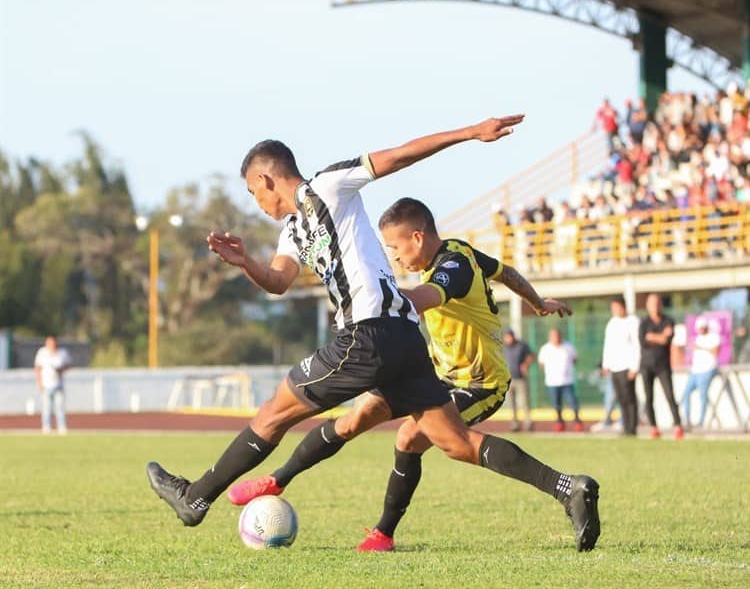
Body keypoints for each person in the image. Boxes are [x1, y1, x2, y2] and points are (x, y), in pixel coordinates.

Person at [145, 117, 600, 554]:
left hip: (365, 335)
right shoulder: (293, 231)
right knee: (456, 443)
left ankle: (196, 498)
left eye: (251, 191)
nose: (255, 203)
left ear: (266, 179)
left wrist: (469, 133)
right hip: (403, 339)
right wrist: (247, 265)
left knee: (271, 415)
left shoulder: (327, 186)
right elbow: (279, 280)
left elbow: (399, 156)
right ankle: (568, 487)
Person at [227, 196, 598, 552]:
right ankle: (277, 480)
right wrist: (539, 303)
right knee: (357, 416)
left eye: (396, 248)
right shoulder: (462, 252)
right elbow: (508, 273)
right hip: (437, 376)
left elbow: (423, 299)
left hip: (479, 383)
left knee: (411, 436)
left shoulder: (453, 268)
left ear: (417, 237)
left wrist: (374, 307)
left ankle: (565, 487)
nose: (395, 257)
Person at [639, 293, 684, 439]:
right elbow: (644, 340)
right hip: (646, 365)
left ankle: (678, 426)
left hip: (663, 365)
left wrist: (653, 337)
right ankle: (654, 427)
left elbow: (667, 339)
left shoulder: (668, 320)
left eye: (657, 303)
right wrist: (660, 337)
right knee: (649, 397)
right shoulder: (644, 323)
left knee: (670, 395)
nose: (655, 306)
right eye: (651, 303)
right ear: (647, 306)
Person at [601, 296, 640, 436]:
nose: (614, 310)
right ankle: (625, 427)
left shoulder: (633, 321)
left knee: (630, 398)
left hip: (627, 366)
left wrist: (634, 367)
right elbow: (608, 345)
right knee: (621, 398)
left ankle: (632, 428)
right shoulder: (612, 323)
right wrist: (606, 364)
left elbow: (637, 345)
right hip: (614, 366)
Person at [537, 328, 582, 432]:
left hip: (567, 381)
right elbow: (541, 364)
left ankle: (577, 422)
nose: (555, 338)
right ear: (550, 337)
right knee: (556, 404)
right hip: (552, 382)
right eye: (553, 336)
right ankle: (559, 422)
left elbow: (575, 360)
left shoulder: (568, 347)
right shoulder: (545, 349)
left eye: (557, 335)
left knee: (573, 402)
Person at [683, 317, 720, 429]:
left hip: (707, 370)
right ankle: (687, 420)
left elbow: (715, 351)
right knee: (686, 394)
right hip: (695, 371)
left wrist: (701, 348)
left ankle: (701, 421)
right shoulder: (697, 339)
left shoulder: (714, 337)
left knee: (702, 395)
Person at [33, 336, 72, 435]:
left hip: (58, 384)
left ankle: (61, 427)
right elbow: (37, 368)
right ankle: (46, 427)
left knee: (60, 407)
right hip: (46, 384)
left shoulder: (62, 353)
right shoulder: (42, 353)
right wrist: (40, 383)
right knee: (47, 407)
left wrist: (61, 370)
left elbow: (68, 365)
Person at [503, 329, 535, 431]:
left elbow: (531, 356)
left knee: (524, 402)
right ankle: (515, 424)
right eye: (507, 337)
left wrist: (526, 364)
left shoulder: (521, 345)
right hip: (508, 380)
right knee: (511, 403)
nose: (509, 339)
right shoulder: (503, 348)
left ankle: (528, 423)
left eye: (510, 336)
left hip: (520, 378)